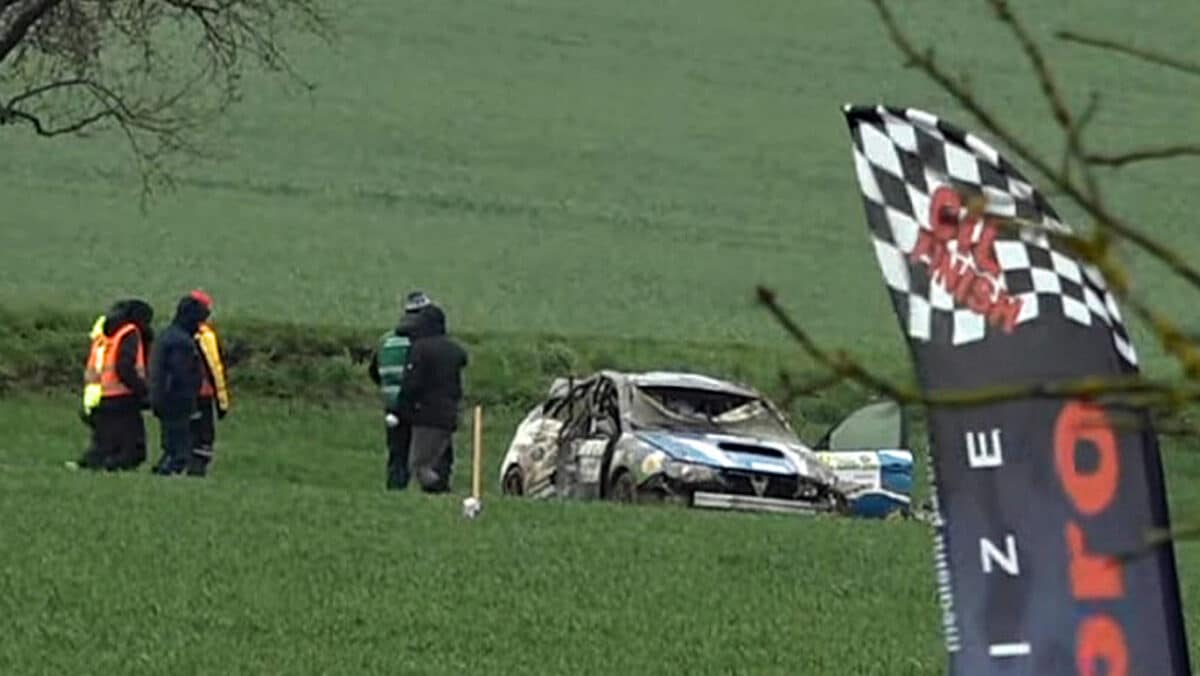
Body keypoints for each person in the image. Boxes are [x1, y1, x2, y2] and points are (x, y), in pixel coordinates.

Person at [70, 299, 154, 472]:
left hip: (100, 393)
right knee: (133, 448)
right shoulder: (129, 333)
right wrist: (143, 390)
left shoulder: (104, 333)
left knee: (104, 441)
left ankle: (90, 465)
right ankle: (110, 466)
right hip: (123, 394)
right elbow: (125, 367)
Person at [401, 302, 468, 493]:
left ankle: (441, 491)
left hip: (426, 413)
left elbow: (411, 383)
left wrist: (403, 408)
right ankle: (439, 488)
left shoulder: (420, 348)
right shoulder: (454, 350)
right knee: (441, 458)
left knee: (418, 465)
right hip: (451, 411)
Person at [368, 291, 429, 490]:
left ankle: (395, 491)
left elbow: (374, 371)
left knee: (397, 455)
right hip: (419, 406)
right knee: (426, 454)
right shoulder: (423, 342)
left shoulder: (386, 340)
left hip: (392, 406)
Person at [149, 294, 210, 476]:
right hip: (176, 401)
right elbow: (181, 375)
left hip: (161, 397)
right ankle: (166, 476)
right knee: (179, 450)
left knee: (170, 446)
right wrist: (191, 396)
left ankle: (161, 474)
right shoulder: (181, 342)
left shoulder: (166, 336)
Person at [187, 290, 231, 477]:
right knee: (203, 439)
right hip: (202, 394)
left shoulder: (174, 331)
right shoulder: (204, 335)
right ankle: (196, 474)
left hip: (180, 395)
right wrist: (222, 403)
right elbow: (214, 369)